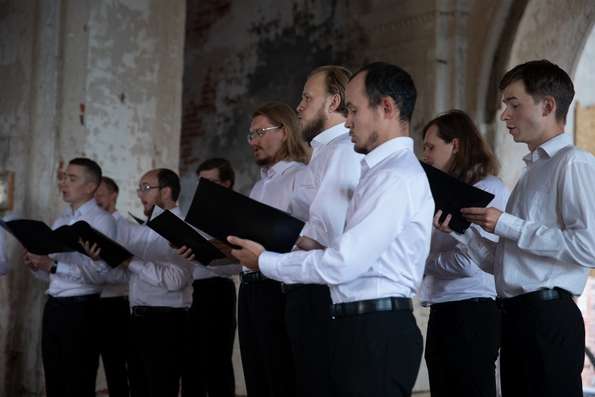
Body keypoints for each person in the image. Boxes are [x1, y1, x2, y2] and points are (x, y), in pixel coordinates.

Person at [230, 62, 435, 397]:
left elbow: (344, 261)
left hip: (376, 329)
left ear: (386, 107)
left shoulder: (394, 176)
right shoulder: (378, 170)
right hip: (357, 324)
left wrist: (265, 261)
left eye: (353, 110)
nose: (347, 120)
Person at [436, 59, 595, 397]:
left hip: (548, 317)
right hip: (514, 317)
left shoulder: (574, 163)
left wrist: (505, 223)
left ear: (548, 106)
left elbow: (589, 246)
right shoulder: (530, 173)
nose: (504, 115)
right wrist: (463, 232)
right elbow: (505, 263)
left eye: (514, 104)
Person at [68, 168, 193, 397]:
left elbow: (176, 280)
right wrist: (103, 259)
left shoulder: (181, 226)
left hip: (166, 320)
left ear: (166, 191)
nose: (140, 194)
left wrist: (130, 261)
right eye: (140, 188)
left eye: (146, 188)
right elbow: (130, 273)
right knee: (137, 387)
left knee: (160, 388)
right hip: (137, 316)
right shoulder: (146, 229)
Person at [419, 110, 509, 397]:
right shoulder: (443, 193)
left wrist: (421, 262)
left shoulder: (487, 189)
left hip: (472, 311)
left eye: (431, 147)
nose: (426, 155)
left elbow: (469, 263)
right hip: (444, 308)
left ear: (455, 145)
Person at [286, 65, 362, 397]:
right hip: (306, 284)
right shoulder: (322, 153)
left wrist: (279, 238)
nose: (299, 107)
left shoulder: (343, 150)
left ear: (333, 102)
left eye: (306, 98)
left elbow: (331, 237)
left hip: (324, 289)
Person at [25, 157, 116, 397]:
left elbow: (99, 276)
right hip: (54, 306)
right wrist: (37, 265)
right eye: (64, 177)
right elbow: (54, 276)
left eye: (72, 178)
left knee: (78, 381)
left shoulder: (102, 221)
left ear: (90, 187)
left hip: (82, 311)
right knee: (54, 380)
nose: (64, 183)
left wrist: (52, 266)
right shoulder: (61, 220)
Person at [239, 102, 309, 397]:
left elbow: (310, 236)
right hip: (248, 288)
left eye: (260, 132)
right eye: (250, 135)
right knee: (255, 375)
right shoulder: (258, 187)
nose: (253, 142)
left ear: (284, 131)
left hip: (278, 287)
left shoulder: (300, 177)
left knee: (280, 376)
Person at [181, 158, 238, 397]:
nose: (205, 188)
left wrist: (204, 257)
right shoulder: (196, 214)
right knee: (192, 361)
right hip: (196, 290)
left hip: (220, 290)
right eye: (201, 182)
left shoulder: (236, 215)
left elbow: (239, 264)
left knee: (217, 361)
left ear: (227, 184)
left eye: (211, 182)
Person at [94, 176, 130, 397]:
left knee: (115, 366)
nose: (96, 199)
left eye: (100, 194)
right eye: (93, 195)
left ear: (113, 195)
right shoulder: (89, 224)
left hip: (114, 304)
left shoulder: (125, 227)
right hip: (89, 301)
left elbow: (127, 270)